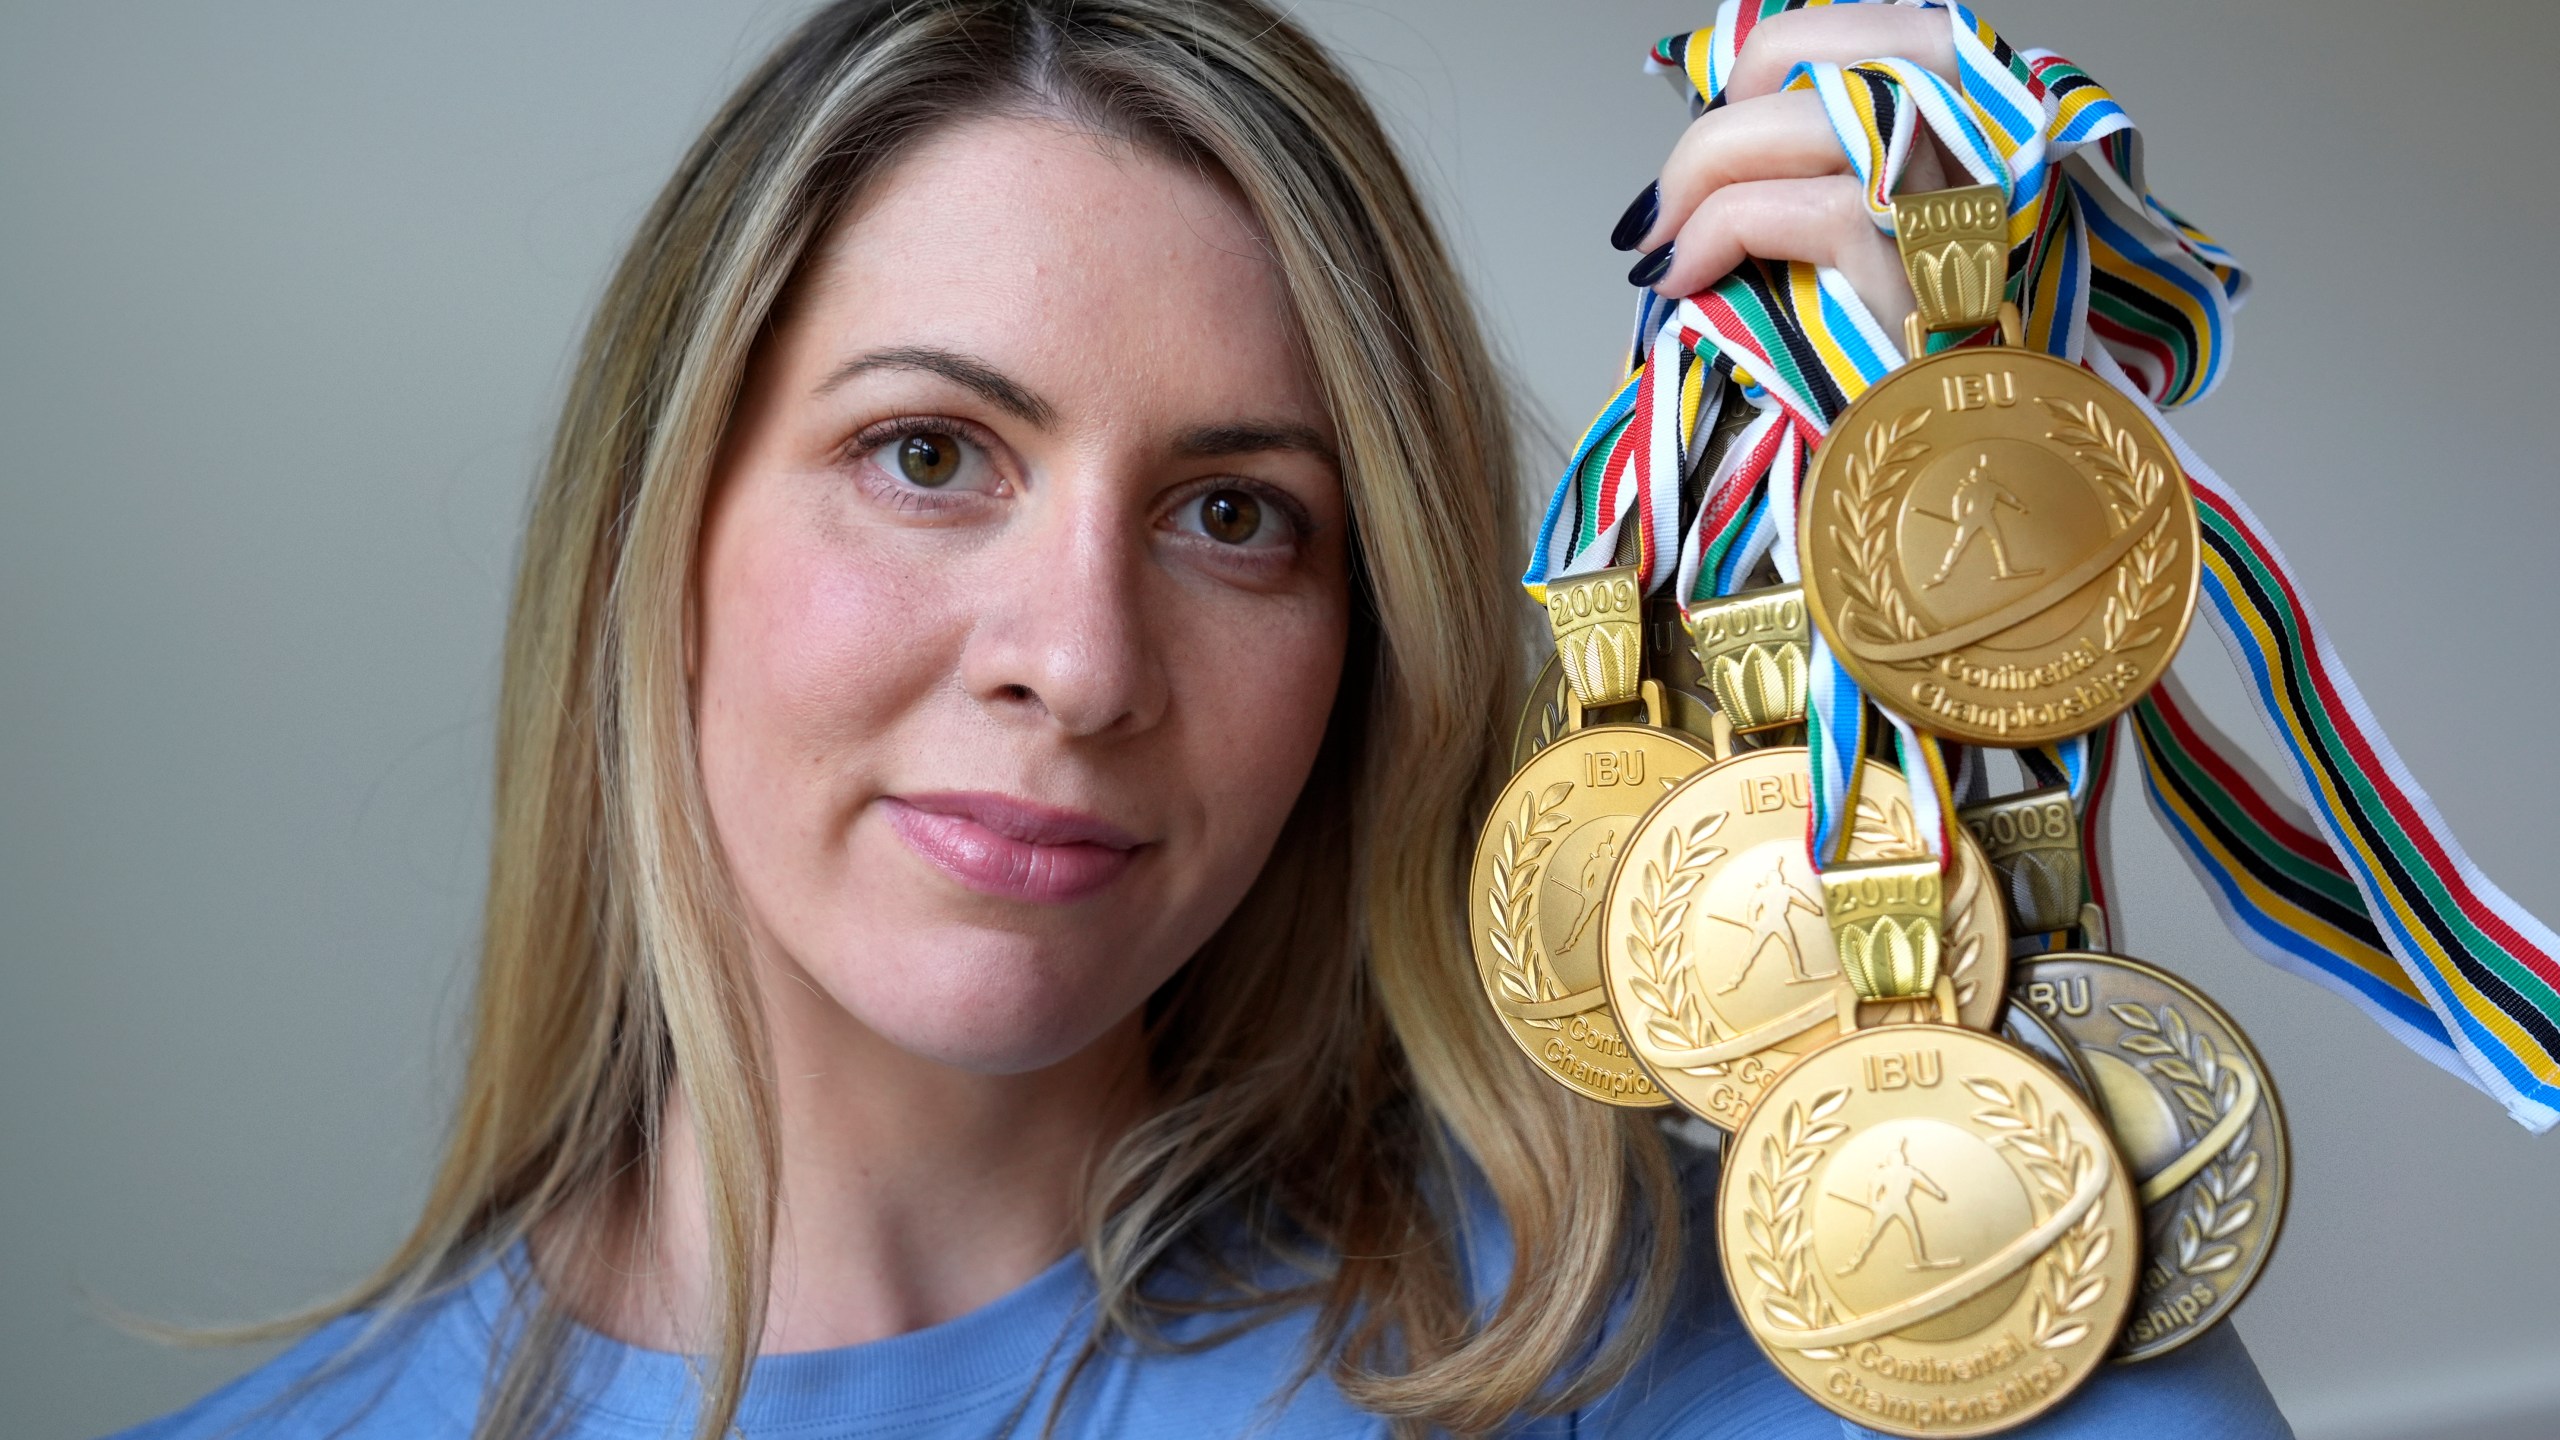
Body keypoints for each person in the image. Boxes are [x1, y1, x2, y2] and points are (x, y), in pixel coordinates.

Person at [114, 2, 2293, 1436]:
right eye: (930, 456)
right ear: (652, 539)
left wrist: (1953, 601)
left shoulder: (1673, 1343)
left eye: (1235, 513)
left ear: (1366, 633)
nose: (1076, 661)